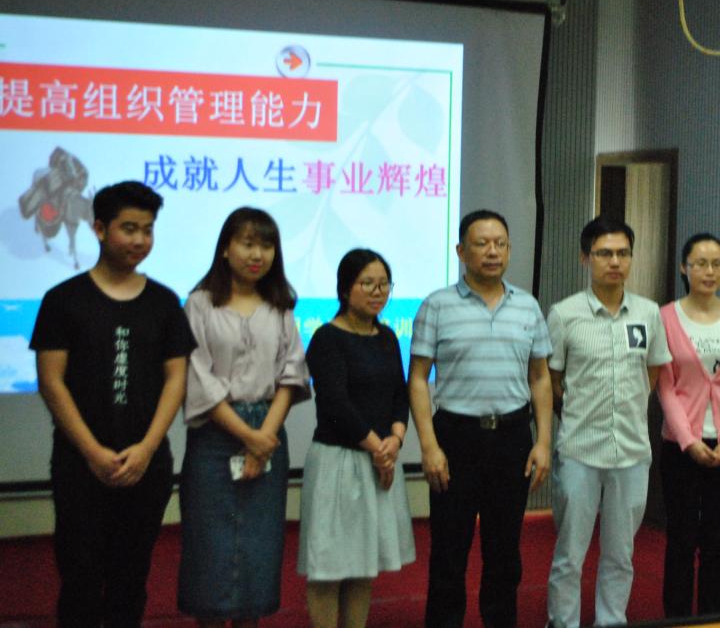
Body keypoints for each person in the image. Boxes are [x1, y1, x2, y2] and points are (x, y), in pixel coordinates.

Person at [31, 180, 195, 627]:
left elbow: (176, 378)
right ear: (100, 229)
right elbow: (51, 381)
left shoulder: (164, 302)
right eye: (129, 228)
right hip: (79, 464)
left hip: (147, 464)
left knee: (131, 579)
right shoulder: (63, 300)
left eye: (147, 229)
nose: (140, 240)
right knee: (80, 580)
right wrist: (92, 451)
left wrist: (147, 448)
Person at [409, 209, 553, 628]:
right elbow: (417, 379)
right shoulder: (437, 305)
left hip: (511, 437)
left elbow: (540, 377)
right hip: (455, 438)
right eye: (482, 243)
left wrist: (543, 441)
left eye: (500, 244)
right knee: (449, 550)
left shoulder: (527, 306)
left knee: (504, 551)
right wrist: (429, 446)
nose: (492, 252)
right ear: (460, 251)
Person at [177, 207, 310, 627]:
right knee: (210, 546)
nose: (257, 254)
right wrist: (248, 437)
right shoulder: (199, 304)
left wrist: (264, 436)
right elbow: (196, 376)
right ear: (225, 249)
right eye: (248, 244)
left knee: (259, 545)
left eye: (266, 246)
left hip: (269, 432)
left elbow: (292, 373)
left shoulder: (279, 306)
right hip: (215, 437)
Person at [545, 217, 672, 628]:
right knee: (570, 554)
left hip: (632, 451)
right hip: (580, 450)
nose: (615, 262)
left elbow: (652, 372)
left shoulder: (649, 313)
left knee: (621, 554)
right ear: (586, 258)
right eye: (604, 253)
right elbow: (552, 381)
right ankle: (562, 622)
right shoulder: (564, 314)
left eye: (622, 253)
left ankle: (611, 620)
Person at [297, 248, 415, 628]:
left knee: (364, 566)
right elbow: (335, 404)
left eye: (384, 284)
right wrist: (378, 448)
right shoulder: (326, 338)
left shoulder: (387, 336)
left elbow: (399, 394)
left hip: (380, 460)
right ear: (345, 289)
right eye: (367, 283)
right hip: (338, 462)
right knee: (329, 568)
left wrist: (395, 439)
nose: (377, 292)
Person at [657, 233, 720, 617]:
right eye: (700, 263)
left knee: (718, 538)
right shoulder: (665, 317)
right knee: (681, 538)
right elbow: (665, 386)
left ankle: (713, 616)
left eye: (717, 263)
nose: (709, 271)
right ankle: (677, 618)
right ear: (684, 268)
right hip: (680, 447)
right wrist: (688, 441)